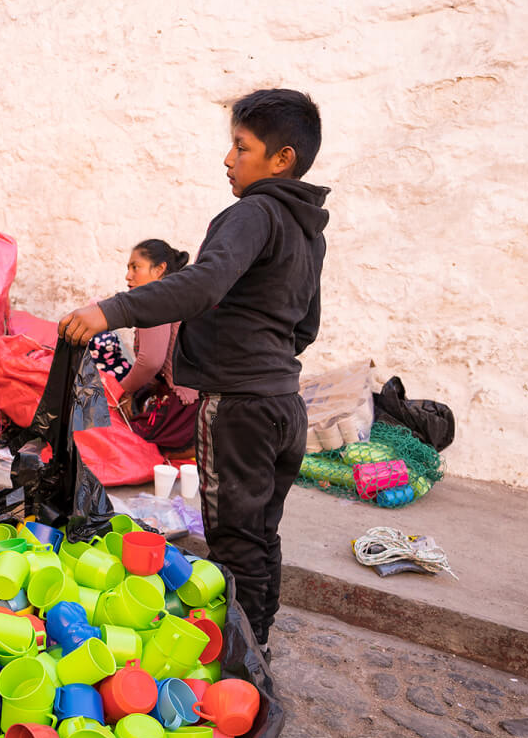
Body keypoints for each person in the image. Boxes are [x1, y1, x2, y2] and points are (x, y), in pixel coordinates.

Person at [60, 88, 328, 655]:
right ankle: (258, 647)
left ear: (281, 159)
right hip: (284, 404)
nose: (228, 159)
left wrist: (111, 310)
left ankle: (240, 661)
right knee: (260, 535)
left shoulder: (254, 213)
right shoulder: (309, 230)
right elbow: (306, 326)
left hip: (239, 408)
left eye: (242, 147)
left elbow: (202, 285)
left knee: (233, 541)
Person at [114, 239, 199, 451]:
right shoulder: (175, 296)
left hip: (184, 407)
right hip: (201, 402)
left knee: (121, 441)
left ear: (159, 269)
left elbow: (150, 361)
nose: (128, 276)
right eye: (128, 268)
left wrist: (121, 392)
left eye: (136, 267)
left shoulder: (154, 300)